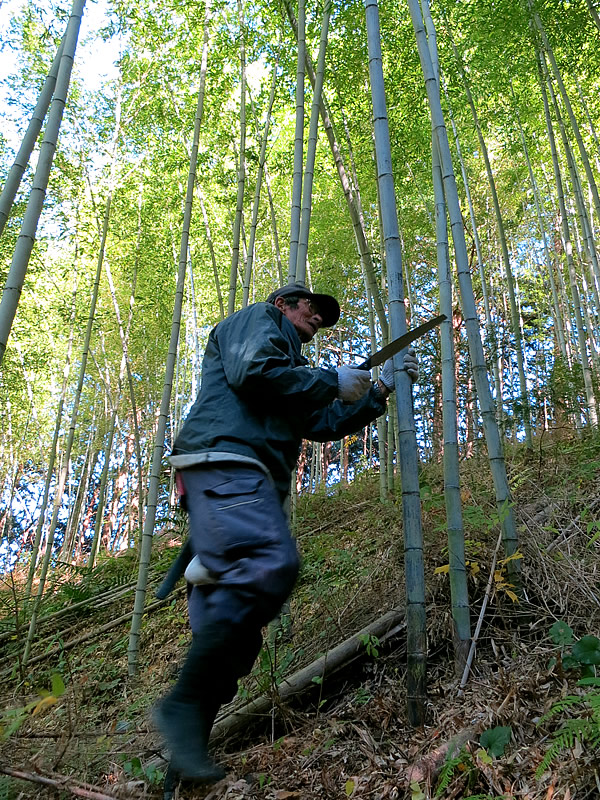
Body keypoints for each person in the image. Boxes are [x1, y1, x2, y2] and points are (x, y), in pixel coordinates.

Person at [153, 283, 418, 782]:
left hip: (240, 481)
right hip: (227, 459)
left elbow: (318, 422)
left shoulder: (291, 367)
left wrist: (373, 393)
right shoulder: (259, 322)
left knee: (232, 643)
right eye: (311, 308)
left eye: (322, 314)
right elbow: (253, 371)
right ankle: (179, 707)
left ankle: (182, 769)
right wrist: (327, 379)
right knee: (270, 563)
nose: (318, 318)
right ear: (284, 304)